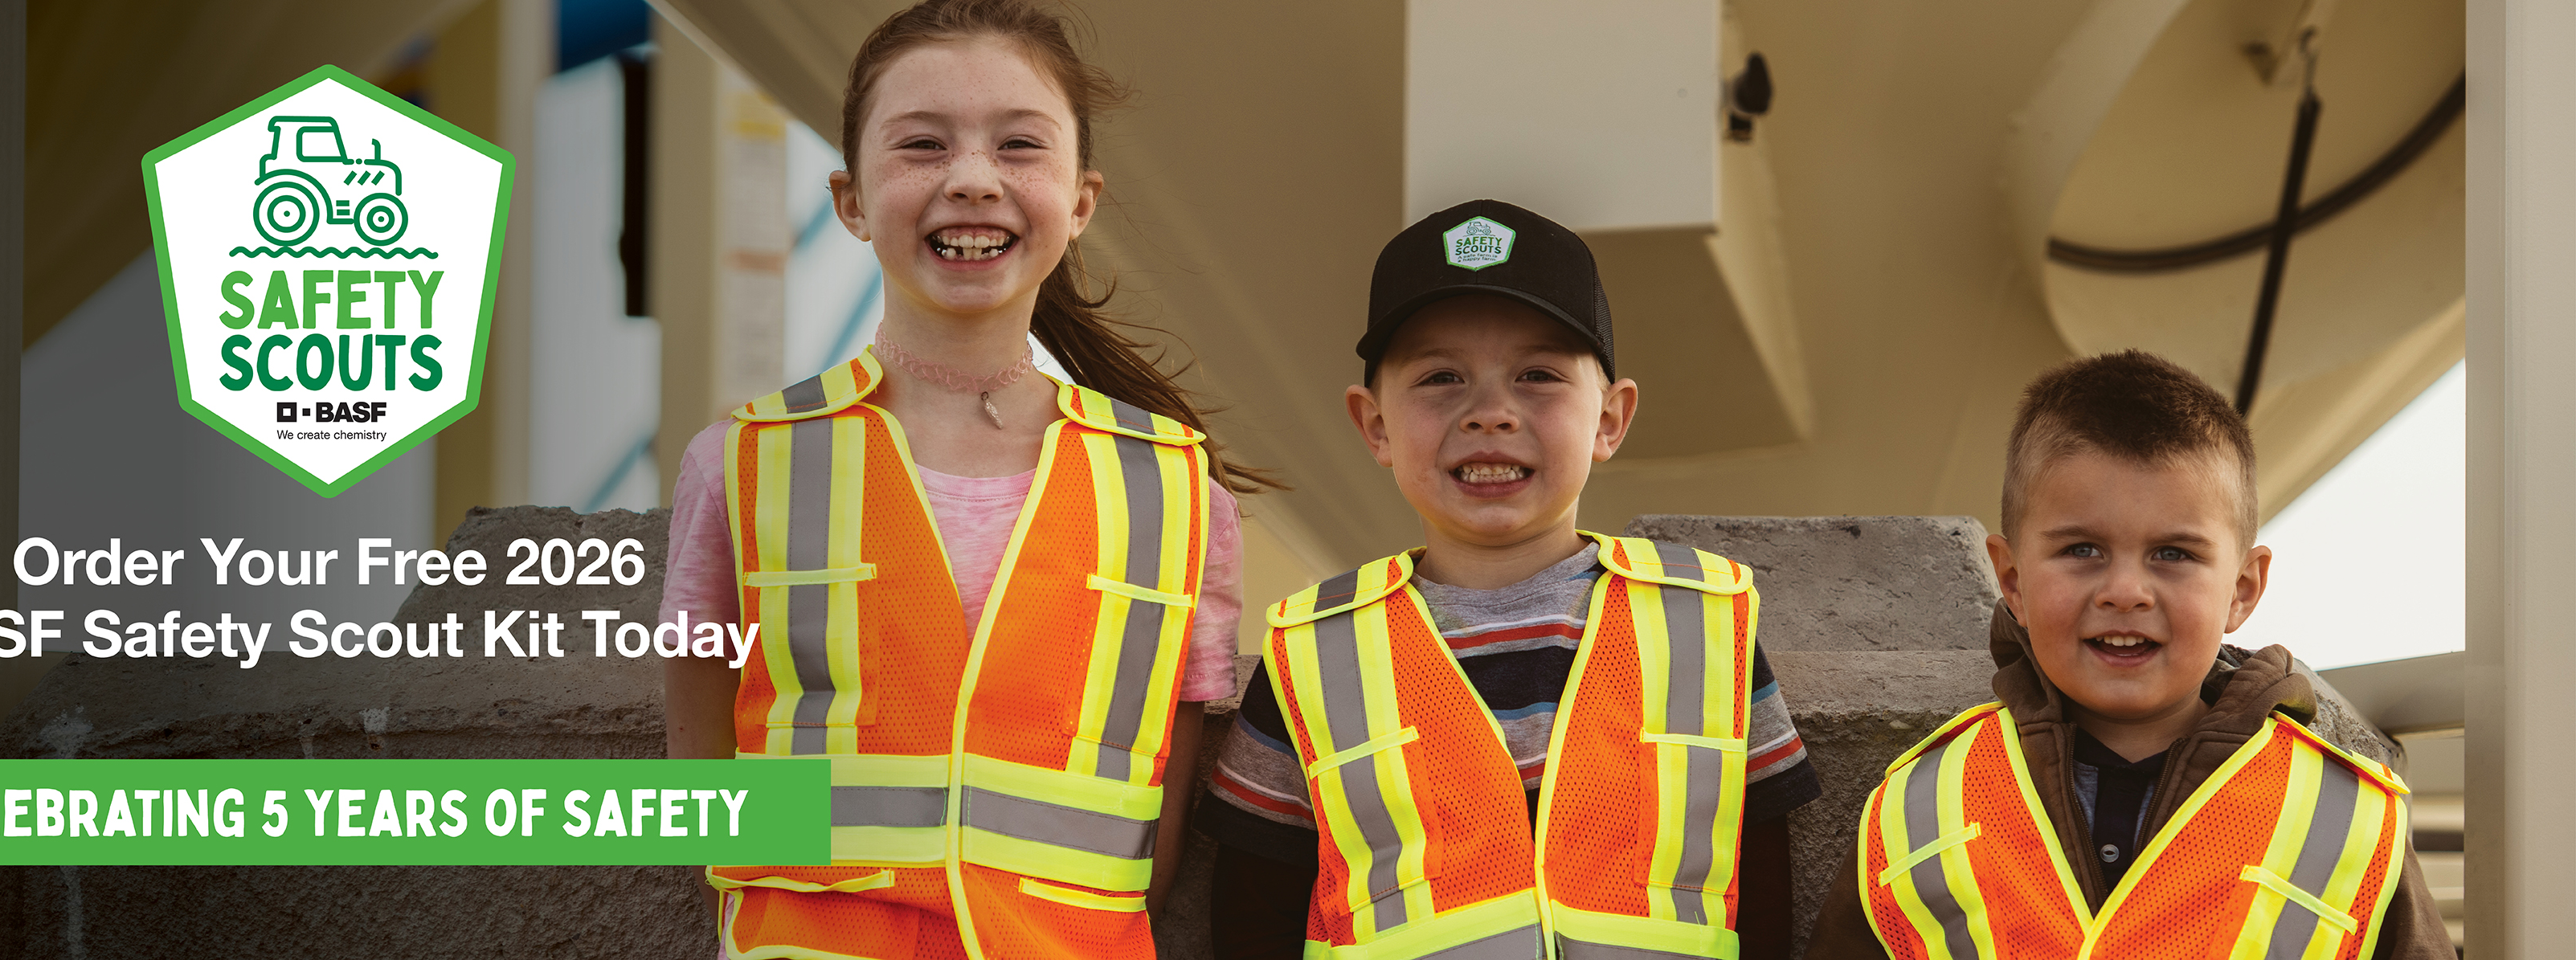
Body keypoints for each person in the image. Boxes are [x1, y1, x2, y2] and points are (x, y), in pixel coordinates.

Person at [653, 2, 1274, 957]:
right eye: (923, 146)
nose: (974, 181)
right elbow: (703, 760)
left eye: (1020, 146)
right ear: (851, 200)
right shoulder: (742, 462)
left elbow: (1158, 815)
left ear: (1081, 200)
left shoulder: (1179, 493)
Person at [1198, 199, 1822, 960]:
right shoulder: (1313, 656)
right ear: (1375, 426)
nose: (1489, 412)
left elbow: (1759, 900)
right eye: (1439, 377)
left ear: (1609, 420)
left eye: (1537, 375)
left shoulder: (1704, 627)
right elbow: (1251, 919)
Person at [1804, 351, 2454, 959]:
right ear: (2012, 581)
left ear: (2242, 589)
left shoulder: (2347, 822)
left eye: (2172, 553)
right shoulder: (1917, 808)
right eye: (2081, 549)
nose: (2123, 592)